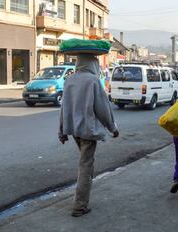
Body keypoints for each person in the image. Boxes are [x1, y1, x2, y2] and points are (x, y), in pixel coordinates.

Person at [58, 54, 119, 217]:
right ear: (92, 64)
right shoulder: (93, 81)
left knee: (87, 163)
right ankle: (79, 205)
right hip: (88, 131)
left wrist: (62, 131)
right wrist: (113, 128)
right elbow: (103, 109)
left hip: (74, 131)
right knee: (86, 165)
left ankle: (83, 197)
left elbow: (64, 108)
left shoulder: (70, 80)